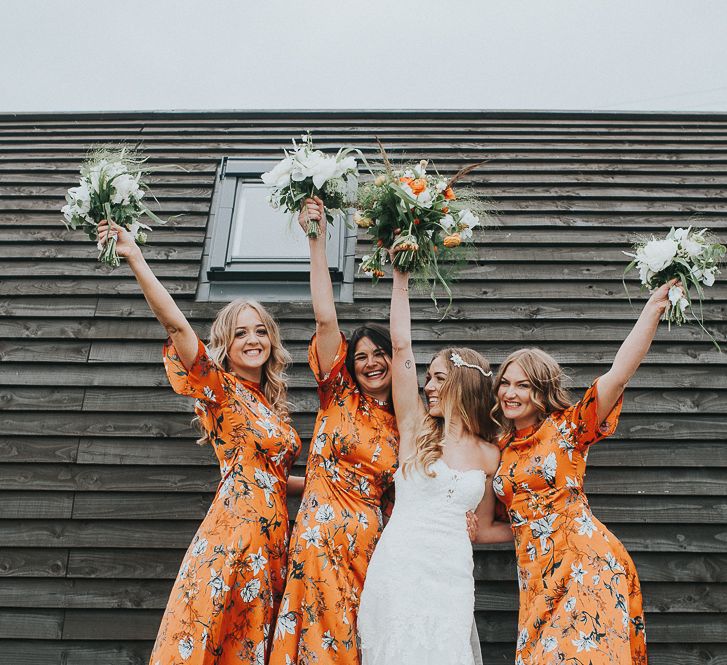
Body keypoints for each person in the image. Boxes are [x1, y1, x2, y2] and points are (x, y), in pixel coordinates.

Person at [97, 220, 302, 665]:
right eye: (241, 333)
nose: (253, 340)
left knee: (247, 647)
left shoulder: (271, 407)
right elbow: (175, 325)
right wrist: (134, 256)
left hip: (274, 540)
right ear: (225, 346)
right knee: (210, 635)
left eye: (261, 331)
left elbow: (273, 478)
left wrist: (333, 485)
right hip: (235, 531)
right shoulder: (220, 389)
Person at [489, 283, 675, 665]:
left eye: (522, 385)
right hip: (536, 575)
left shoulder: (568, 429)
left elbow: (618, 375)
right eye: (505, 383)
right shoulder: (499, 447)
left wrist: (653, 308)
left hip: (584, 562)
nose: (510, 392)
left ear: (541, 391)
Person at [357, 260, 512, 665]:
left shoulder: (491, 454)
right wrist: (401, 279)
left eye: (439, 378)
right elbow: (402, 345)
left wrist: (537, 527)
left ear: (464, 383)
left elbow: (486, 528)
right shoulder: (414, 428)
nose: (428, 386)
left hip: (451, 573)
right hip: (400, 563)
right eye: (427, 377)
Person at [269, 198, 399, 665]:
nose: (370, 362)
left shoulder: (407, 422)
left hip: (368, 543)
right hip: (316, 536)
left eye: (379, 353)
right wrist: (316, 240)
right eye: (361, 355)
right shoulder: (336, 395)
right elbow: (326, 318)